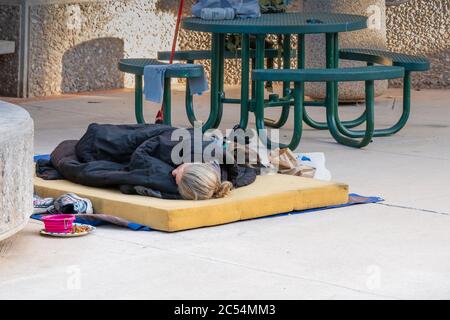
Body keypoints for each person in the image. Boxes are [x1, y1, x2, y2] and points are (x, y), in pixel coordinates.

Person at [36, 123, 257, 201]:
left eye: (176, 180)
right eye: (179, 173)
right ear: (193, 164)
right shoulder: (185, 149)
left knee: (87, 168)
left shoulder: (219, 178)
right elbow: (147, 145)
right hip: (154, 140)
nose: (172, 174)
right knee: (91, 146)